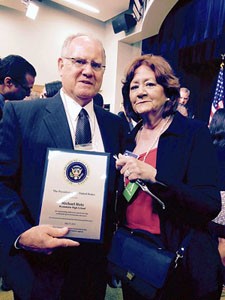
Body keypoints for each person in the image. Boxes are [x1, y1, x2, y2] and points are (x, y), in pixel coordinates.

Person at [0, 33, 126, 300]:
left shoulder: (115, 126)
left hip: (93, 267)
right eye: (79, 61)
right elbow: (2, 184)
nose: (87, 71)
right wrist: (21, 233)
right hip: (39, 267)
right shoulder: (21, 116)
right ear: (61, 65)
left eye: (96, 65)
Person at [115, 54, 223, 300]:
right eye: (134, 87)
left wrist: (156, 177)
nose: (140, 92)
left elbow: (209, 203)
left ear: (168, 91)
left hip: (178, 259)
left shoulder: (192, 133)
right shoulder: (128, 138)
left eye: (149, 84)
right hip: (134, 252)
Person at [209, 108, 225, 279]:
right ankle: (218, 276)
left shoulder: (207, 146)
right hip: (224, 199)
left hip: (210, 197)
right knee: (223, 242)